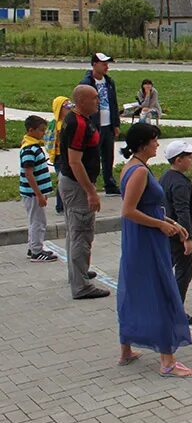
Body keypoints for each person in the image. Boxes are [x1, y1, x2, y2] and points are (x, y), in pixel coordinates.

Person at [116, 123, 192, 377]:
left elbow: (149, 207)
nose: (157, 145)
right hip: (146, 240)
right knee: (161, 290)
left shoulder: (130, 167)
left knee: (134, 288)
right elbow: (129, 210)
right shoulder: (139, 171)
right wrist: (161, 225)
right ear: (143, 144)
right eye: (154, 140)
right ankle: (167, 360)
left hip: (139, 237)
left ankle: (126, 349)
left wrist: (172, 223)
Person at [60, 85, 109, 299]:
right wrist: (91, 191)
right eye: (94, 98)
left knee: (74, 231)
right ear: (81, 101)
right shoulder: (77, 124)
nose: (98, 101)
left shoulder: (78, 119)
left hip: (71, 183)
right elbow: (75, 162)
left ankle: (77, 274)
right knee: (81, 234)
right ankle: (81, 286)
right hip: (77, 185)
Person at [160, 141, 192, 325]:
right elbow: (182, 211)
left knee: (168, 268)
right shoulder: (180, 184)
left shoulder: (166, 177)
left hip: (167, 233)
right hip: (177, 235)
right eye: (189, 156)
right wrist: (187, 238)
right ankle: (175, 311)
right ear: (178, 160)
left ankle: (164, 305)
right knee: (185, 270)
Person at [79, 53, 121, 196]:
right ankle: (90, 184)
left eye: (107, 64)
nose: (106, 67)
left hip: (108, 124)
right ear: (94, 64)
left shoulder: (109, 82)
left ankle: (110, 184)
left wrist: (116, 124)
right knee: (93, 156)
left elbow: (113, 103)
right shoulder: (86, 83)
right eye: (103, 64)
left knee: (108, 155)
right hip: (94, 125)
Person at [20, 116, 58, 262]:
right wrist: (39, 194)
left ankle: (33, 247)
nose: (43, 133)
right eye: (41, 130)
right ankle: (37, 251)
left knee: (35, 220)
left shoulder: (33, 145)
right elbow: (28, 173)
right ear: (31, 130)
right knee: (38, 222)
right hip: (33, 193)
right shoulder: (30, 149)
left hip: (35, 193)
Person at [44, 96, 73, 215]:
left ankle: (67, 204)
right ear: (59, 109)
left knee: (69, 180)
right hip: (60, 157)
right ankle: (60, 206)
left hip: (68, 155)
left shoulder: (68, 122)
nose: (70, 109)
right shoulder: (58, 125)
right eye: (67, 107)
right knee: (63, 180)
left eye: (71, 106)